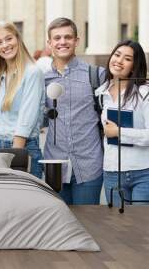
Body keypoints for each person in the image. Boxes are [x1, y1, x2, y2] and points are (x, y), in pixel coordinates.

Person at [44, 17, 105, 205]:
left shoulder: (96, 74)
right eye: (57, 38)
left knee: (89, 226)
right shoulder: (41, 80)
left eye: (68, 37)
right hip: (55, 165)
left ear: (76, 41)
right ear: (50, 43)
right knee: (60, 227)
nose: (63, 42)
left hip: (89, 165)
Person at [0, 21, 44, 179]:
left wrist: (16, 156)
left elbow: (27, 118)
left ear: (17, 38)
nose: (5, 45)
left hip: (21, 146)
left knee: (24, 202)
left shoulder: (32, 72)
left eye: (9, 39)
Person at [95, 40, 149, 206]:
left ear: (134, 66)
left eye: (127, 58)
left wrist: (119, 132)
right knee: (118, 228)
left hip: (143, 172)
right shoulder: (100, 92)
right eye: (117, 55)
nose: (118, 61)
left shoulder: (144, 93)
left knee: (141, 227)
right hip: (112, 173)